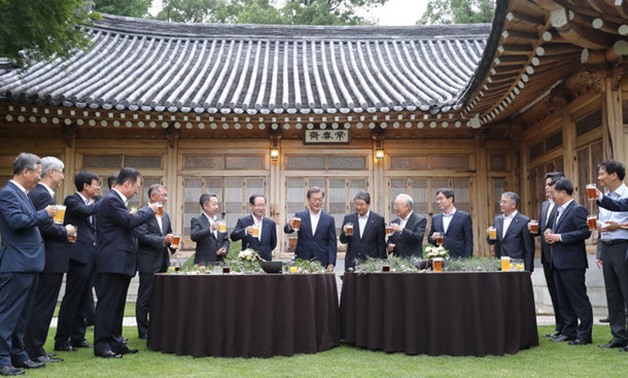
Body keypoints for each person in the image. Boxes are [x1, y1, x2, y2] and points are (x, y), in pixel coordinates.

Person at [0, 153, 58, 375]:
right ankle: (3, 359)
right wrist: (44, 214)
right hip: (16, 263)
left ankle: (19, 354)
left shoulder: (23, 194)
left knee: (23, 315)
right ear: (25, 171)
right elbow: (16, 222)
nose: (39, 176)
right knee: (8, 315)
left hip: (30, 263)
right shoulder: (7, 194)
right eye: (37, 171)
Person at [93, 167, 158, 358]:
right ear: (128, 183)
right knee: (108, 304)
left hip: (122, 261)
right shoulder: (111, 200)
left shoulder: (118, 201)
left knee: (118, 304)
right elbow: (128, 221)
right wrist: (149, 210)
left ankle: (116, 341)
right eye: (137, 186)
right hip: (113, 260)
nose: (138, 190)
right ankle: (102, 345)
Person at [25, 157, 76, 363]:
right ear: (51, 172)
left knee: (45, 305)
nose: (63, 176)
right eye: (61, 171)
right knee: (43, 305)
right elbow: (43, 226)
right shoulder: (41, 194)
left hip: (52, 257)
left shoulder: (44, 194)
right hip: (48, 257)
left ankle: (36, 347)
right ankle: (34, 349)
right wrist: (65, 231)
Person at [54, 171, 101, 351]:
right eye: (96, 184)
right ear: (86, 186)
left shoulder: (93, 203)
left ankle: (78, 337)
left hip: (90, 255)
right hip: (78, 256)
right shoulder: (72, 200)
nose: (98, 187)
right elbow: (84, 211)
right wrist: (100, 203)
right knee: (72, 298)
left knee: (84, 298)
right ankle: (61, 339)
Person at [544, 177, 593, 345]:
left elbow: (585, 232)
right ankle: (568, 331)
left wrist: (560, 237)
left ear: (563, 193)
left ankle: (585, 335)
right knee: (563, 300)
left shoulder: (577, 209)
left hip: (572, 263)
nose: (551, 196)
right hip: (557, 262)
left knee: (578, 299)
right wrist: (551, 233)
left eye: (554, 193)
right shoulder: (559, 210)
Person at [591, 160, 628, 350]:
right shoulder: (605, 197)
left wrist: (619, 226)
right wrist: (599, 251)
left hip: (623, 247)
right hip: (607, 247)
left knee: (626, 292)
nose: (599, 178)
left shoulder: (626, 195)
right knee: (612, 294)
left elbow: (618, 206)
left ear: (614, 175)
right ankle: (619, 336)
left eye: (601, 174)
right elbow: (603, 226)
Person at [134, 184, 176, 340]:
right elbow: (141, 236)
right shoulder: (142, 214)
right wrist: (162, 240)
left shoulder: (165, 215)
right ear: (153, 197)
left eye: (166, 195)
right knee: (145, 297)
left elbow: (168, 233)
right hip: (147, 261)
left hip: (162, 261)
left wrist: (173, 243)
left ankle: (156, 327)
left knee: (160, 297)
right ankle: (143, 331)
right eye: (163, 195)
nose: (165, 198)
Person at [530, 172, 565, 339]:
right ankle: (559, 327)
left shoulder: (564, 204)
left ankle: (569, 327)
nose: (546, 187)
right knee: (554, 293)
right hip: (546, 257)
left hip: (561, 256)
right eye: (546, 184)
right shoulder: (544, 206)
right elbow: (542, 229)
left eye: (549, 184)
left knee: (564, 293)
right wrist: (534, 228)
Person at [284, 187, 337, 270]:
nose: (317, 202)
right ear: (308, 200)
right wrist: (289, 225)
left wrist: (331, 263)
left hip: (322, 259)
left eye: (320, 199)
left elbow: (332, 243)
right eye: (315, 199)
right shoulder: (300, 216)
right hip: (302, 258)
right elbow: (287, 230)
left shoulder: (329, 219)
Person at [487, 192, 534, 272]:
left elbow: (529, 248)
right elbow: (492, 241)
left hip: (516, 264)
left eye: (504, 202)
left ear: (513, 205)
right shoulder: (497, 220)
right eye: (500, 202)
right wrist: (489, 234)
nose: (501, 204)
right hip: (499, 263)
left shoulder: (524, 221)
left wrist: (528, 269)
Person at [339, 191, 386, 270]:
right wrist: (345, 232)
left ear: (368, 204)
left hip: (371, 263)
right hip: (352, 263)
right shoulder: (349, 218)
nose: (358, 207)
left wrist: (382, 262)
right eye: (356, 204)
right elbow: (343, 240)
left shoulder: (378, 220)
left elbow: (381, 244)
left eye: (361, 204)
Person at [427, 188, 473, 258]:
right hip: (440, 258)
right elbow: (429, 239)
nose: (438, 202)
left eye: (441, 199)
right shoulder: (435, 218)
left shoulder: (464, 217)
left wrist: (467, 259)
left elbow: (468, 241)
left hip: (459, 259)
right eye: (437, 199)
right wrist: (433, 237)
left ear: (450, 199)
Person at [230, 194, 277, 261]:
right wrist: (245, 231)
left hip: (266, 260)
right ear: (251, 206)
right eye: (258, 205)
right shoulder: (243, 221)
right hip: (248, 260)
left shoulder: (270, 223)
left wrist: (264, 251)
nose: (260, 208)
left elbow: (273, 243)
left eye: (263, 205)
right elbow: (233, 236)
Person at [191, 193, 229, 265]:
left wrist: (224, 248)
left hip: (219, 262)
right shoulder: (197, 220)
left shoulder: (220, 221)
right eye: (214, 204)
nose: (217, 207)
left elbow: (225, 239)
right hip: (203, 263)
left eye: (217, 204)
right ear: (205, 206)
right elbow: (194, 236)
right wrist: (210, 229)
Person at [386, 193, 426, 258]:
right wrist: (389, 247)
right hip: (397, 262)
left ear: (407, 207)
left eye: (397, 206)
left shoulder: (420, 220)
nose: (395, 208)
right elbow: (390, 240)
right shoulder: (394, 222)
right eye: (394, 206)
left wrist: (401, 230)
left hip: (413, 261)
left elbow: (418, 237)